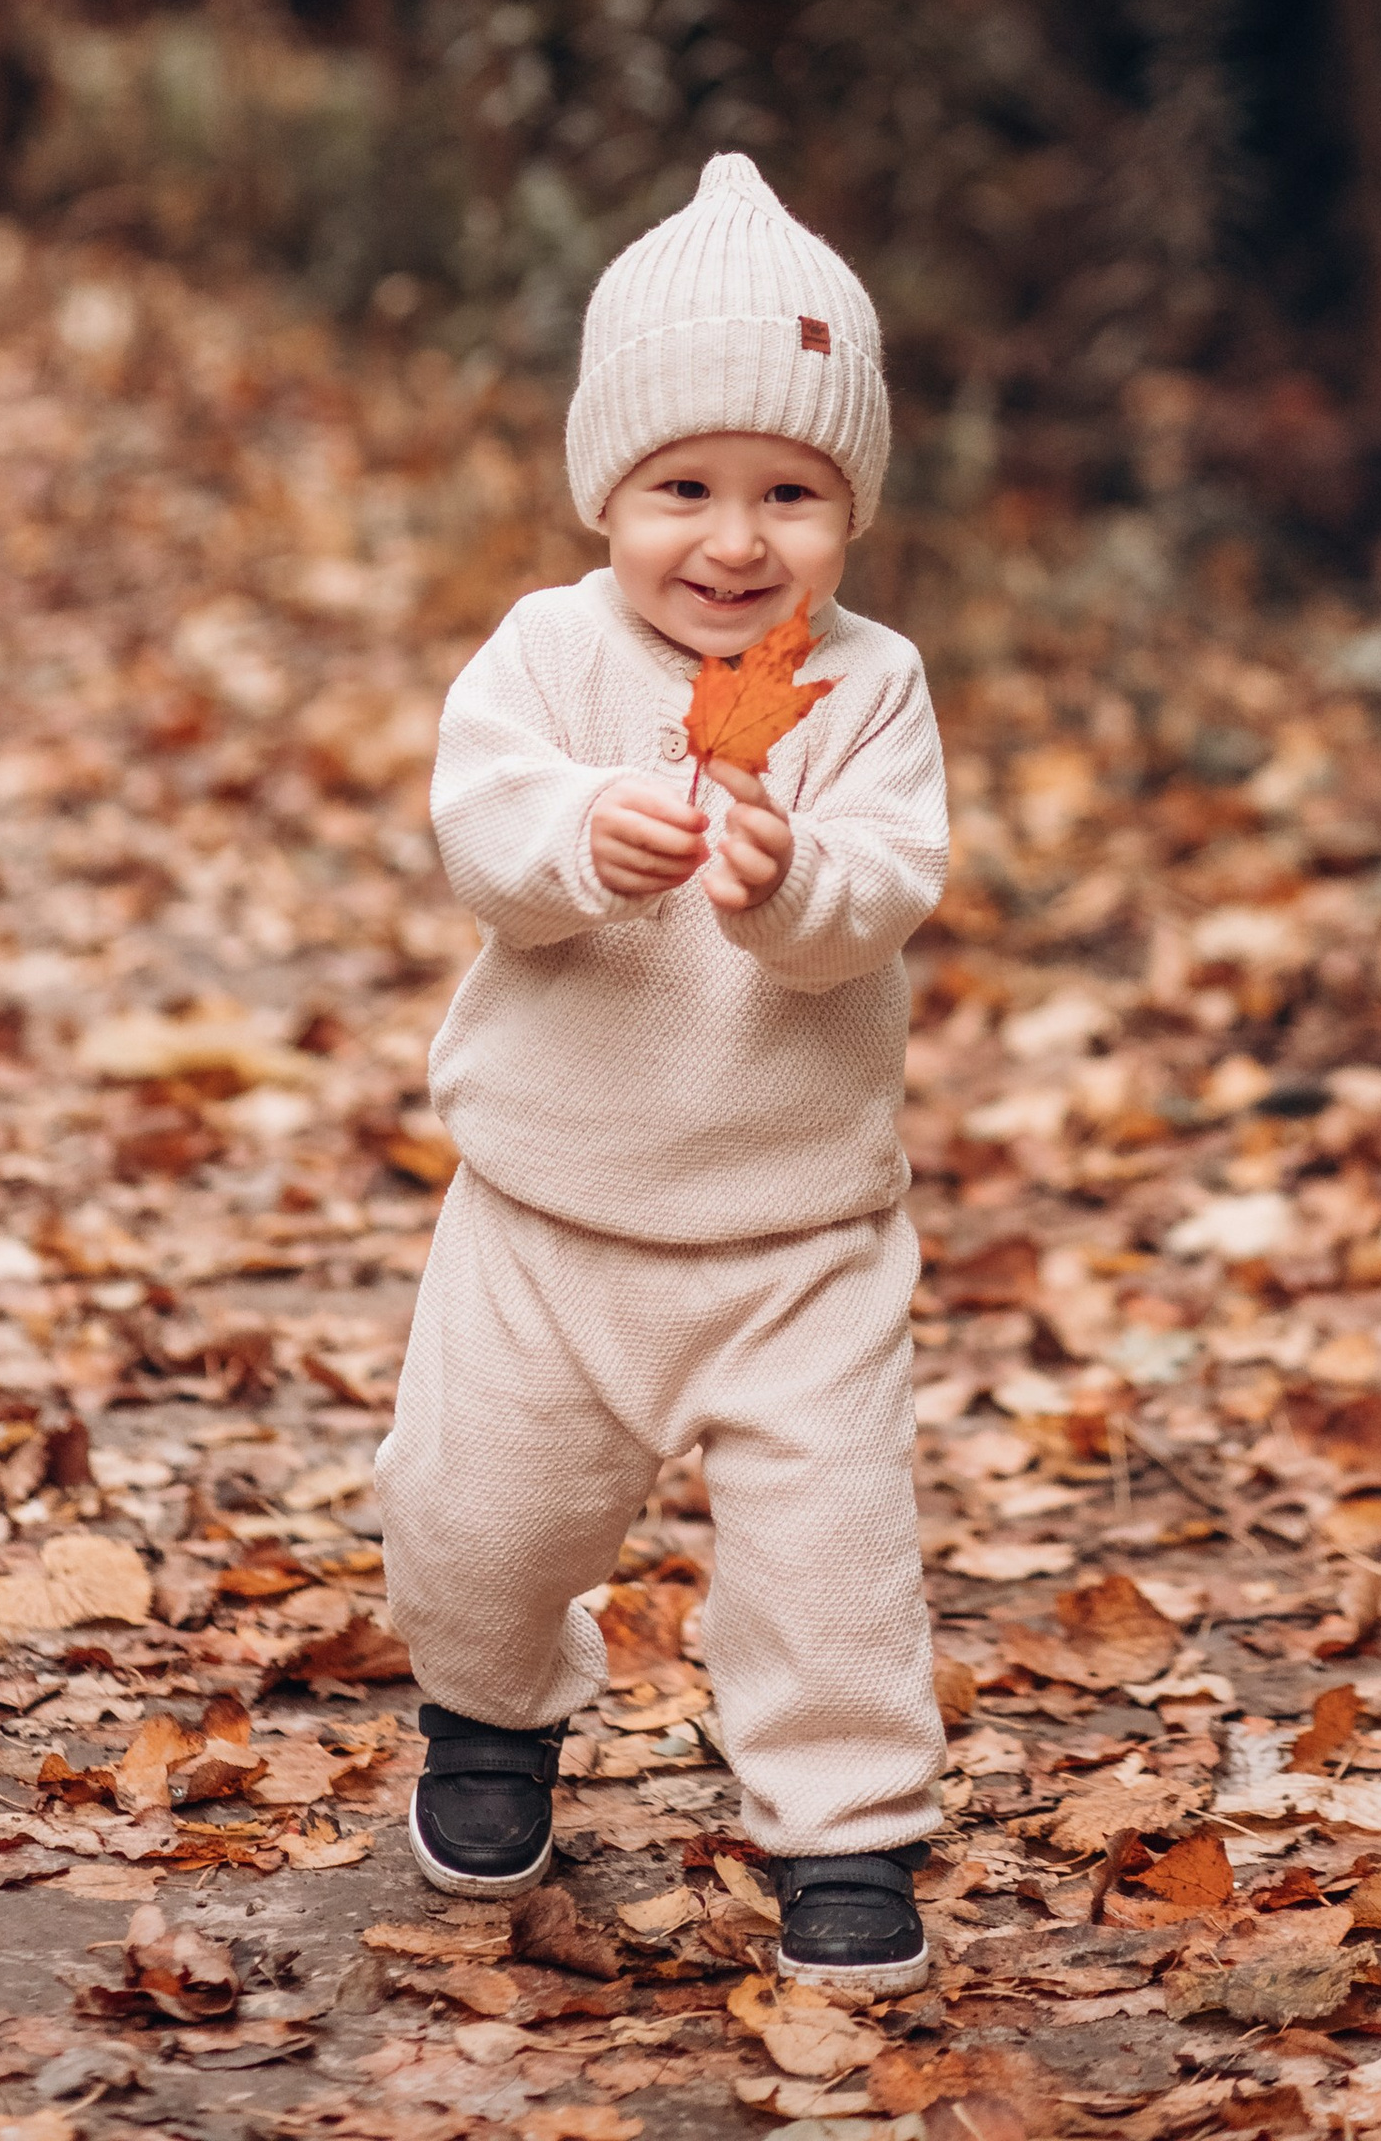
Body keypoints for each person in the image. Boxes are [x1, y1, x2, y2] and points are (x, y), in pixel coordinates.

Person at [373, 151, 953, 1994]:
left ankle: (844, 1834)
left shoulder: (871, 685)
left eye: (791, 492)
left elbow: (895, 881)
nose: (735, 538)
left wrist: (799, 889)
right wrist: (573, 844)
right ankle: (492, 1714)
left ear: (849, 506)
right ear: (605, 489)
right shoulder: (545, 652)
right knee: (479, 1516)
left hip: (797, 1225)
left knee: (833, 1554)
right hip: (554, 1207)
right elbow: (480, 825)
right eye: (682, 488)